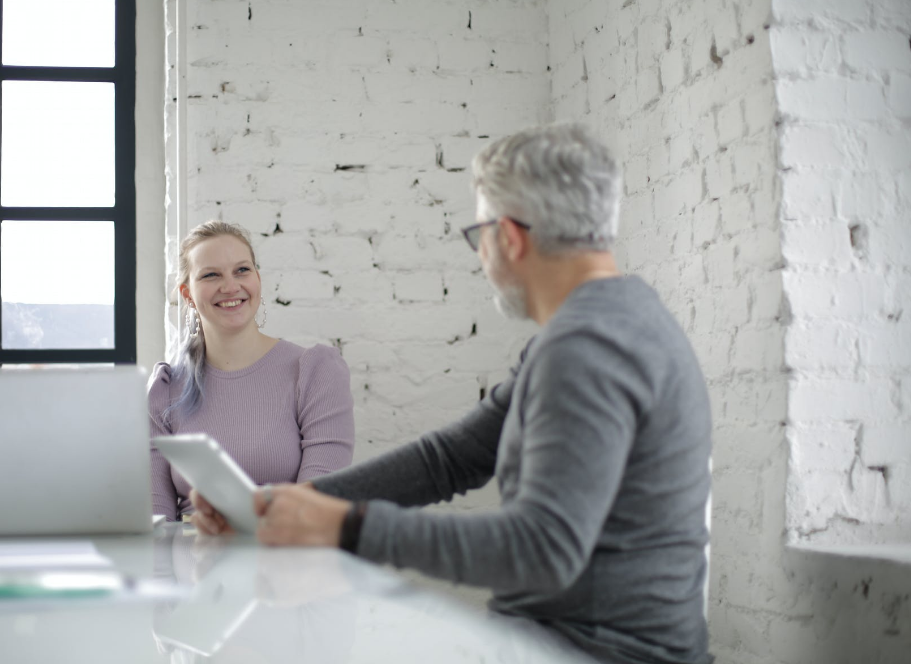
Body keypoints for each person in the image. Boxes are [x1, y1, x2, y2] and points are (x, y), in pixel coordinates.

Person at [192, 125, 713, 664]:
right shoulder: (606, 324)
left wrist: (343, 526)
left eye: (479, 235)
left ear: (509, 239)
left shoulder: (587, 348)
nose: (481, 257)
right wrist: (281, 505)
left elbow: (542, 550)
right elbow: (451, 460)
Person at [149, 220, 355, 521]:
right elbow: (156, 521)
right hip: (191, 560)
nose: (231, 286)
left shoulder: (315, 373)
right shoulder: (165, 389)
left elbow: (316, 508)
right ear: (187, 294)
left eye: (242, 270)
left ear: (257, 277)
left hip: (288, 558)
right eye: (210, 275)